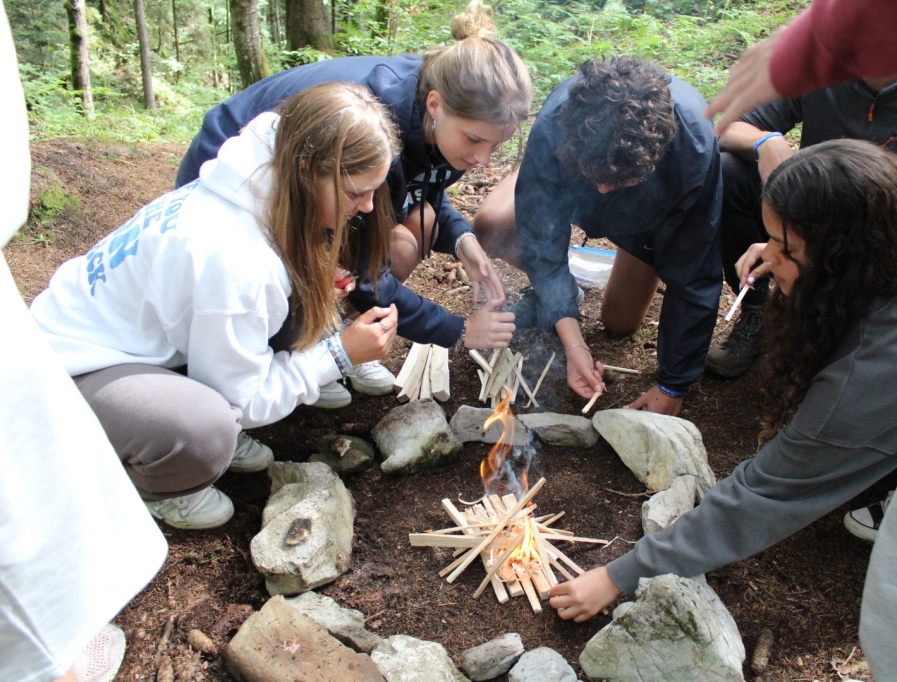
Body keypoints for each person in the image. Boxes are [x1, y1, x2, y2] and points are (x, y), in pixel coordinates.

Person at [706, 3, 897, 678]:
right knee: (741, 180)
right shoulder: (833, 79)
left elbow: (773, 487)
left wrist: (619, 574)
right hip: (879, 255)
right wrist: (784, 220)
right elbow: (721, 125)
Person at [547, 140, 897, 628]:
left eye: (786, 247)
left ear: (842, 256)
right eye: (770, 237)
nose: (768, 255)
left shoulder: (878, 371)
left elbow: (767, 491)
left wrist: (621, 574)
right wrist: (785, 249)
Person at [31, 82, 433, 531]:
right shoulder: (234, 255)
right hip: (66, 372)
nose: (367, 206)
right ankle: (159, 483)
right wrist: (340, 355)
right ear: (306, 171)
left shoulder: (258, 180)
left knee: (297, 298)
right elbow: (245, 400)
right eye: (357, 190)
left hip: (129, 340)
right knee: (205, 432)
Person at [177, 0, 530, 408]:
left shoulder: (444, 116)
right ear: (435, 106)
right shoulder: (379, 132)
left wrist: (462, 240)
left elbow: (425, 186)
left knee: (420, 224)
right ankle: (241, 388)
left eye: (497, 145)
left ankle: (322, 344)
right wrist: (460, 330)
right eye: (475, 141)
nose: (483, 159)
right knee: (296, 266)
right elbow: (365, 273)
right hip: (233, 171)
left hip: (317, 177)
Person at [0, 3, 167, 681]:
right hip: (87, 357)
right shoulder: (231, 257)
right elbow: (244, 385)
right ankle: (45, 660)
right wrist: (334, 355)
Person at [706, 68, 897, 380]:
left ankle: (855, 351)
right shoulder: (821, 68)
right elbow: (726, 127)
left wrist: (812, 252)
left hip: (890, 249)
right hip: (808, 222)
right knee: (729, 171)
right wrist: (766, 141)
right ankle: (760, 311)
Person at [473, 57, 722, 416]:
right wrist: (575, 345)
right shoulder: (556, 128)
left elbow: (695, 273)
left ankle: (602, 264)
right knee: (496, 223)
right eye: (596, 175)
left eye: (618, 179)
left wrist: (673, 384)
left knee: (620, 323)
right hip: (567, 183)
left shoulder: (693, 149)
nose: (603, 188)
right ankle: (560, 293)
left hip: (652, 219)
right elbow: (543, 244)